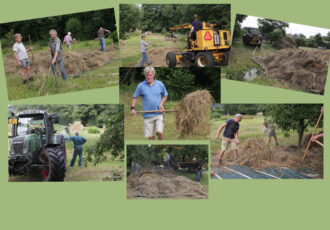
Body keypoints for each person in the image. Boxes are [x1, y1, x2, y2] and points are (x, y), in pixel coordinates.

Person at [130, 67, 168, 140]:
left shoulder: (160, 84)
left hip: (158, 113)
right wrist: (132, 108)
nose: (149, 77)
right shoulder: (140, 86)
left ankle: (162, 147)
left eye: (150, 75)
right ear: (145, 75)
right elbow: (135, 97)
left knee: (160, 132)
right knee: (151, 137)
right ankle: (153, 149)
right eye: (147, 75)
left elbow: (165, 95)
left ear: (153, 74)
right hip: (147, 115)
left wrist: (161, 104)